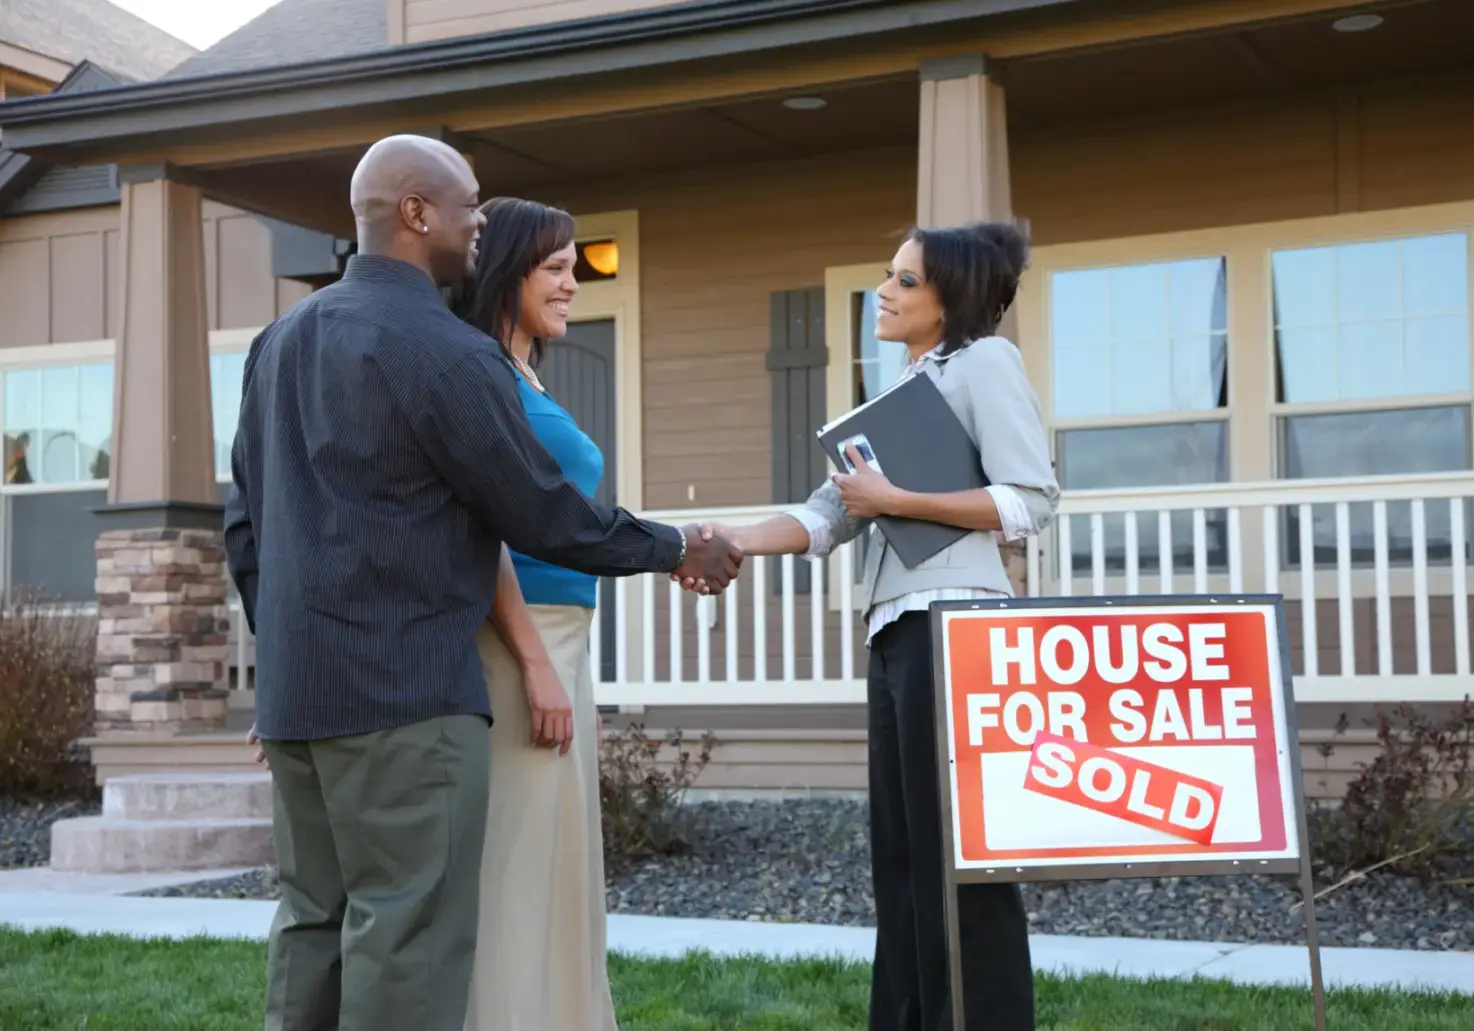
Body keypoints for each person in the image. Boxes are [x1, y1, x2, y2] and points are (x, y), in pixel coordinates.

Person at [224, 134, 742, 1031]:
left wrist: (286, 655)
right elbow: (542, 513)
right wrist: (676, 548)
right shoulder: (446, 352)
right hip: (408, 700)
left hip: (299, 697)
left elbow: (245, 522)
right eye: (467, 204)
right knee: (407, 936)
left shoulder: (281, 341)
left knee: (312, 922)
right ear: (415, 213)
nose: (478, 222)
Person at [687, 221, 1058, 1030]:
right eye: (888, 276)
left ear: (949, 298)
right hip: (895, 631)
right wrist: (725, 540)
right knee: (904, 856)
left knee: (958, 854)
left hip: (956, 626)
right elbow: (827, 517)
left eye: (904, 280)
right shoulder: (898, 400)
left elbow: (1030, 499)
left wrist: (898, 499)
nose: (883, 293)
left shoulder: (984, 362)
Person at [445, 196, 622, 1031]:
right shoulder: (481, 375)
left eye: (573, 267)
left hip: (562, 645)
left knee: (561, 868)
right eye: (554, 267)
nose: (571, 283)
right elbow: (481, 532)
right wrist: (536, 664)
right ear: (506, 270)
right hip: (516, 647)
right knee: (516, 870)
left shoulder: (524, 374)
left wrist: (573, 675)